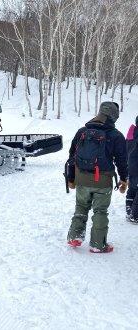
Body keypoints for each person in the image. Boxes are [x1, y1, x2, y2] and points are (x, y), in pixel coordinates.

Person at [66, 101, 128, 253]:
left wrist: (71, 178)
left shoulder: (82, 131)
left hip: (81, 178)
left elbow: (72, 156)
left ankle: (75, 237)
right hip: (103, 181)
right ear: (114, 117)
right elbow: (122, 160)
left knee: (81, 207)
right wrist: (124, 179)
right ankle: (97, 244)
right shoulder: (116, 136)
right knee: (100, 211)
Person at [126, 116, 138, 223]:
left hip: (130, 165)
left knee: (133, 188)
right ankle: (135, 215)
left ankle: (129, 209)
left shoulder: (132, 132)